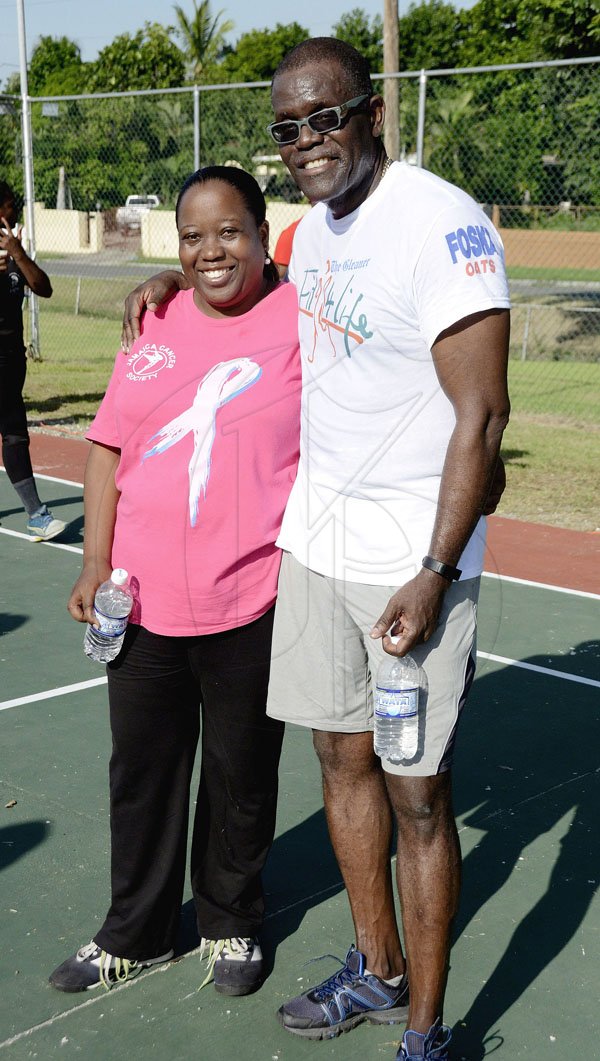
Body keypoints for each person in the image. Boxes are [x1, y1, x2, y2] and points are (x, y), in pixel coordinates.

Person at [120, 39, 511, 1061]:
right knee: (340, 760)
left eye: (324, 119)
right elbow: (268, 279)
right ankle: (375, 969)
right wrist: (175, 273)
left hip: (408, 564)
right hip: (317, 546)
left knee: (418, 795)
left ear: (370, 112)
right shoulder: (314, 231)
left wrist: (434, 571)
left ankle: (426, 1029)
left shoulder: (441, 221)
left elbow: (482, 416)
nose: (306, 143)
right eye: (287, 129)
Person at [48, 166, 301, 997]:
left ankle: (230, 922)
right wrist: (94, 561)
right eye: (192, 236)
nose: (210, 249)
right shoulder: (153, 315)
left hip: (252, 599)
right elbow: (108, 449)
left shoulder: (301, 319)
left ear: (263, 234)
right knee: (143, 775)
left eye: (229, 230)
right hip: (144, 599)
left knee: (240, 776)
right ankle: (137, 930)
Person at [0, 181, 65, 541]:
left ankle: (36, 515)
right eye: (11, 206)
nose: (16, 211)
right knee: (14, 434)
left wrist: (19, 254)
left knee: (13, 434)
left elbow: (45, 288)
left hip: (11, 361)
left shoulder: (14, 252)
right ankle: (37, 515)